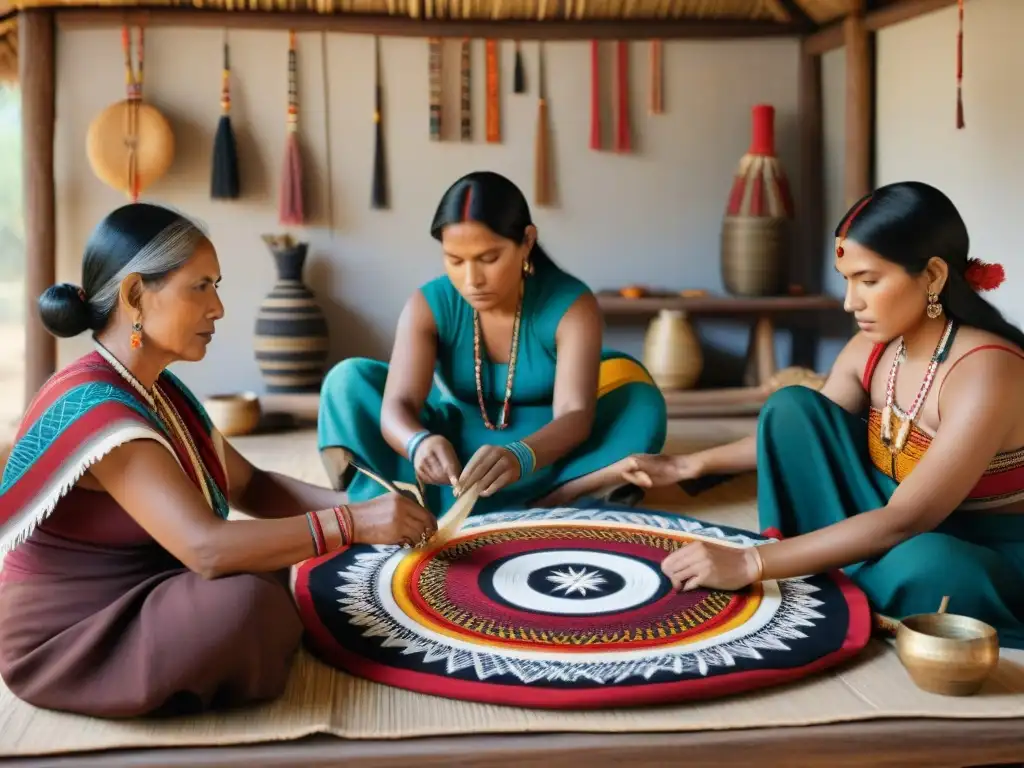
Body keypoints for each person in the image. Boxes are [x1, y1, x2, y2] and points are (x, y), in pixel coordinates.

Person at [0, 203, 433, 718]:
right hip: (76, 633)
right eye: (200, 287)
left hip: (150, 586)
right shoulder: (102, 409)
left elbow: (252, 486)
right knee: (248, 602)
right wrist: (353, 525)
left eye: (216, 285)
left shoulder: (157, 389)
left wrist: (366, 507)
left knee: (279, 569)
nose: (218, 308)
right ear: (136, 295)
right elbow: (206, 549)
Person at [618, 181, 1024, 649]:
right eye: (847, 279)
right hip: (888, 518)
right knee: (793, 408)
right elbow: (802, 438)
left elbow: (907, 519)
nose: (851, 301)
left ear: (933, 276)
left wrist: (752, 563)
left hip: (970, 545)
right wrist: (691, 464)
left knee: (930, 567)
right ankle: (838, 569)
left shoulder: (985, 370)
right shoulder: (873, 349)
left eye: (869, 280)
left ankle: (824, 569)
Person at [318, 171, 667, 518]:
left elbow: (575, 415)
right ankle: (396, 501)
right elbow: (399, 402)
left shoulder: (571, 305)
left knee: (640, 401)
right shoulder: (429, 304)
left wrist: (520, 456)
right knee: (347, 381)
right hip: (452, 456)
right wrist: (418, 442)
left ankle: (558, 497)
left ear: (527, 241)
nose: (472, 281)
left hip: (551, 453)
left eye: (488, 259)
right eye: (455, 260)